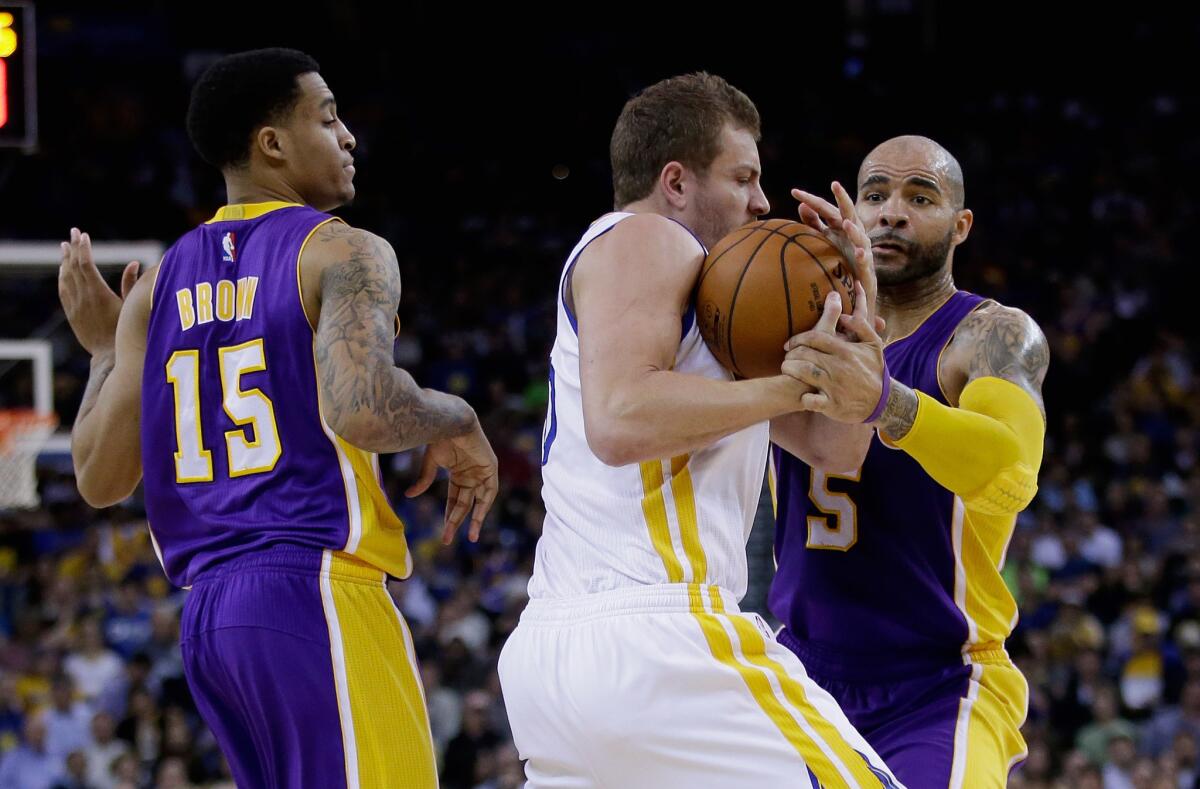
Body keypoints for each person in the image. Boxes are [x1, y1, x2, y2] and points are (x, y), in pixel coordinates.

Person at [58, 47, 498, 788]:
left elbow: (98, 477)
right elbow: (363, 408)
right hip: (313, 592)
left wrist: (103, 353)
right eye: (328, 118)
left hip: (208, 621)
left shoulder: (155, 287)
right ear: (273, 143)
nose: (349, 135)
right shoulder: (343, 252)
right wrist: (456, 415)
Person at [498, 72, 902, 789]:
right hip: (662, 632)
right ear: (676, 182)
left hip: (562, 663)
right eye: (744, 177)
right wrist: (786, 384)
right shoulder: (648, 235)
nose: (762, 200)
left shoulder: (711, 318)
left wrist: (858, 312)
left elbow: (835, 447)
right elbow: (621, 420)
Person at [773, 135, 1049, 787]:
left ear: (961, 226)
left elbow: (1011, 477)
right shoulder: (792, 320)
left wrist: (886, 403)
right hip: (799, 674)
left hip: (938, 683)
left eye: (918, 197)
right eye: (875, 195)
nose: (891, 211)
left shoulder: (989, 334)